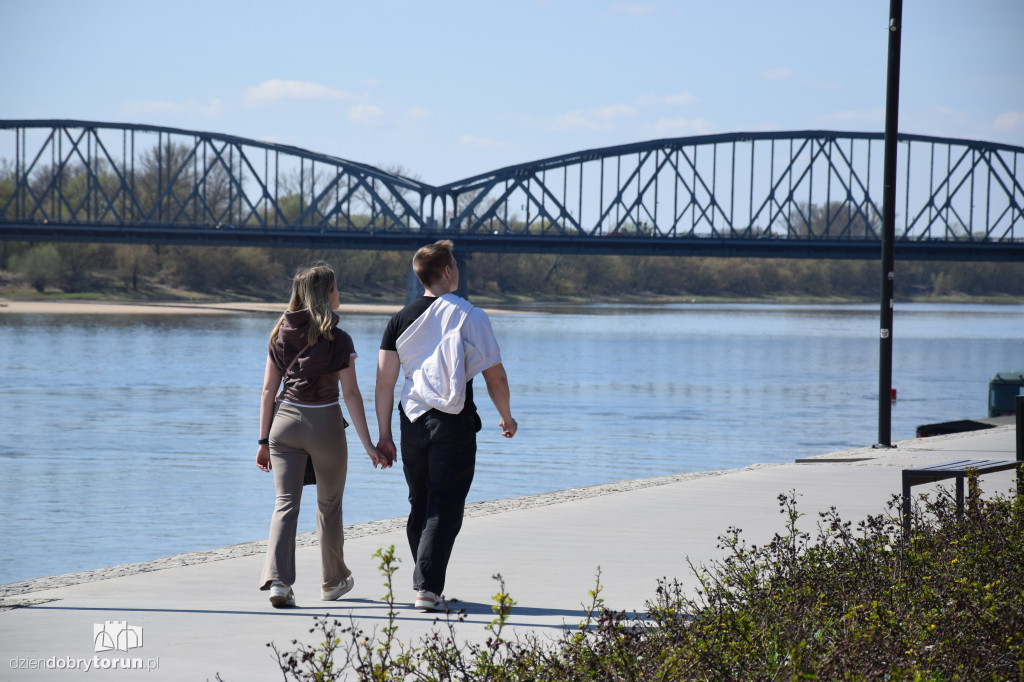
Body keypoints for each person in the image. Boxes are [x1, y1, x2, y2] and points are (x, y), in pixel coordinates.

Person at [375, 240, 517, 612]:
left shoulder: (398, 320)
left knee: (419, 504)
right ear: (449, 271)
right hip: (453, 423)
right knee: (445, 505)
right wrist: (506, 415)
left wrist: (384, 434)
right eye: (455, 262)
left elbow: (385, 383)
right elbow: (495, 376)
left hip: (410, 421)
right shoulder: (471, 315)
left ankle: (427, 580)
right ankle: (427, 587)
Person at [256, 264, 385, 608]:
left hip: (283, 425)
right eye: (335, 289)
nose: (339, 294)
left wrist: (262, 441)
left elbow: (269, 390)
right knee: (329, 505)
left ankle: (279, 583)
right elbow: (352, 394)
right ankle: (332, 582)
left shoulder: (280, 333)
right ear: (326, 294)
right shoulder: (338, 339)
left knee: (285, 504)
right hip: (324, 423)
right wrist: (369, 445)